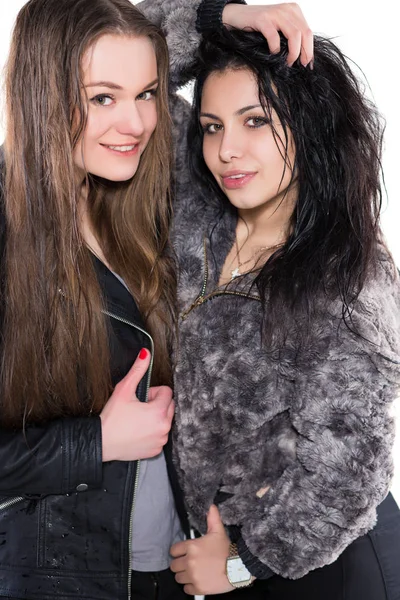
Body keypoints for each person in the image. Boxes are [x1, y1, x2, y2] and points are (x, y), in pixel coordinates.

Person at [0, 0, 312, 598]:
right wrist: (96, 443)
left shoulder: (146, 199)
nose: (138, 123)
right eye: (102, 98)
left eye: (146, 94)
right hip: (61, 578)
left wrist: (222, 16)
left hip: (163, 571)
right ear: (41, 93)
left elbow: (148, 37)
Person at [167, 24, 400, 600]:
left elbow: (350, 474)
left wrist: (247, 562)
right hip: (231, 560)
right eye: (212, 127)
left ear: (308, 124)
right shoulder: (202, 211)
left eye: (256, 122)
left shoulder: (345, 276)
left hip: (327, 570)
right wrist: (222, 14)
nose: (226, 151)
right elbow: (115, 62)